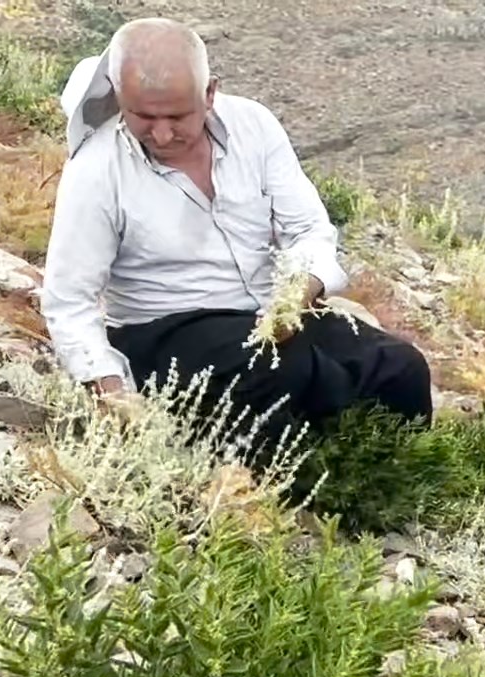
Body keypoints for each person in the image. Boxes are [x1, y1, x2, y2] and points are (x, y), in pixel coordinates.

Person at [40, 18, 432, 465]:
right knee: (277, 370)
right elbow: (69, 301)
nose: (162, 135)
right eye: (143, 118)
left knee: (400, 367)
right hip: (164, 332)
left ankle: (389, 486)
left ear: (210, 93)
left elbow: (307, 229)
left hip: (265, 318)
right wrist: (110, 389)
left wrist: (299, 292)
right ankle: (289, 491)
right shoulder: (96, 168)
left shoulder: (254, 126)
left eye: (177, 117)